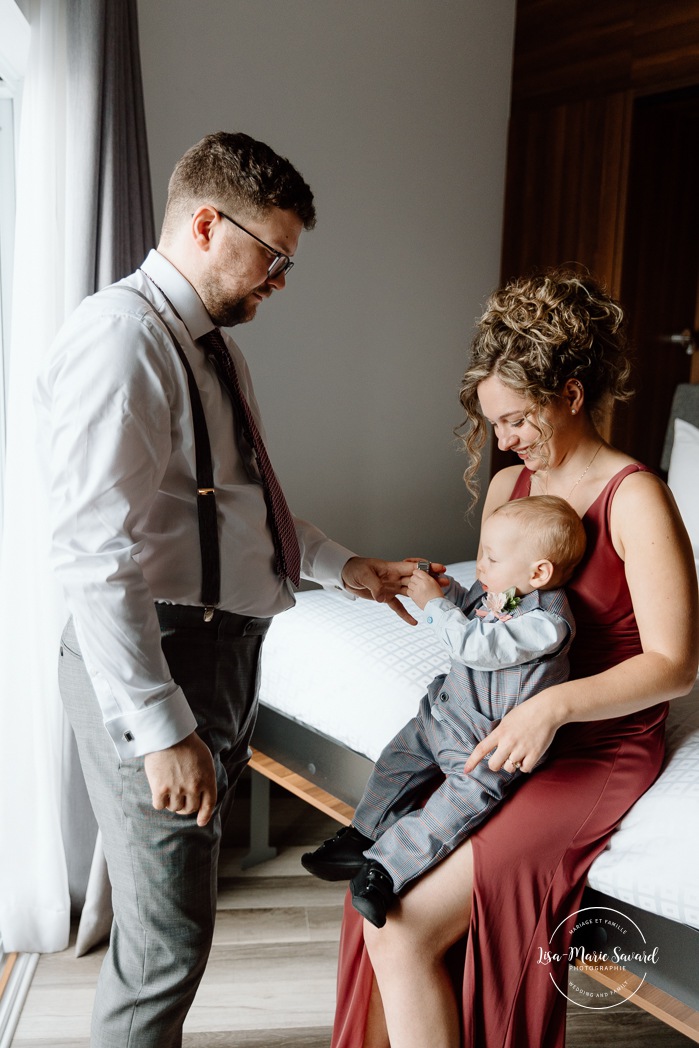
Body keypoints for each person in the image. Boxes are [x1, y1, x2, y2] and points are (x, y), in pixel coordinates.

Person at [36, 131, 421, 1048]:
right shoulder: (123, 338)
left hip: (218, 655)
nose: (280, 281)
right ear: (206, 223)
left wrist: (343, 566)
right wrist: (163, 727)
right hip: (163, 659)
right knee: (169, 941)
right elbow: (93, 553)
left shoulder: (209, 346)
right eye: (273, 256)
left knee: (168, 920)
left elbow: (235, 507)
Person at [330, 269, 699, 1048]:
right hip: (498, 732)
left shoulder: (635, 498)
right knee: (375, 873)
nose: (503, 439)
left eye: (516, 418)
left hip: (591, 745)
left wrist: (553, 705)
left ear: (569, 393)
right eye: (493, 422)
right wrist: (437, 592)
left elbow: (676, 664)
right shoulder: (509, 489)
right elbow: (497, 614)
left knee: (398, 921)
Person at [302, 495, 585, 928]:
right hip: (442, 712)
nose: (481, 566)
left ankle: (385, 870)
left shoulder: (546, 624)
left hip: (484, 746)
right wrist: (441, 588)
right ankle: (363, 833)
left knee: (450, 809)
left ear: (539, 573)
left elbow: (474, 644)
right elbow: (471, 609)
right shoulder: (503, 592)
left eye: (490, 557)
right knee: (396, 763)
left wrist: (434, 605)